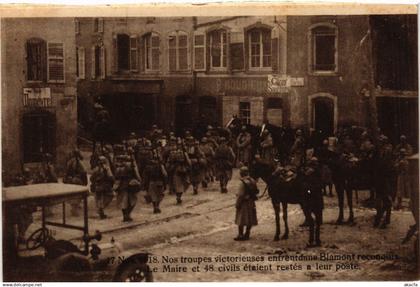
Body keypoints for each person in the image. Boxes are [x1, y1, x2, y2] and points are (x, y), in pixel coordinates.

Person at [115, 149, 142, 222]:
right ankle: (128, 214)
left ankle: (125, 216)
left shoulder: (118, 167)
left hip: (121, 185)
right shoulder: (131, 165)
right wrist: (139, 181)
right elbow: (136, 174)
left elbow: (116, 176)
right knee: (133, 200)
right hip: (130, 184)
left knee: (123, 201)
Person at [373, 135, 394, 228]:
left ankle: (383, 219)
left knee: (385, 198)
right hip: (379, 176)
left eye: (381, 141)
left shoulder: (387, 150)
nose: (380, 142)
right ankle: (381, 218)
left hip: (385, 176)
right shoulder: (379, 150)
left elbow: (385, 162)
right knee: (380, 197)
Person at [234, 166, 258, 241]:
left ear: (241, 173)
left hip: (244, 203)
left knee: (240, 219)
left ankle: (240, 235)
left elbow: (240, 195)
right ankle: (247, 233)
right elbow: (256, 191)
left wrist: (237, 204)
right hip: (251, 202)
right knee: (250, 218)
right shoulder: (252, 180)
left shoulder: (242, 182)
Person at [63, 149, 88, 216]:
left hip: (72, 180)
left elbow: (67, 172)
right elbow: (83, 172)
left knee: (74, 195)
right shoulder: (76, 162)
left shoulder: (71, 161)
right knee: (77, 195)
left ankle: (75, 207)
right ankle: (74, 209)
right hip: (76, 180)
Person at [167, 139, 191, 204]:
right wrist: (189, 167)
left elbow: (169, 162)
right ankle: (179, 197)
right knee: (184, 183)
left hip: (176, 170)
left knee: (177, 184)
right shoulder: (184, 153)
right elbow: (189, 162)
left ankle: (178, 196)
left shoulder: (172, 153)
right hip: (182, 170)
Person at [143, 148, 168, 214]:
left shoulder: (148, 165)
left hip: (151, 182)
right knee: (160, 195)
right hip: (159, 182)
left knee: (153, 196)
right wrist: (165, 182)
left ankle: (155, 207)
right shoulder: (160, 165)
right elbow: (165, 174)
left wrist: (145, 184)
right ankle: (157, 206)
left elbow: (145, 176)